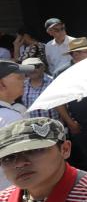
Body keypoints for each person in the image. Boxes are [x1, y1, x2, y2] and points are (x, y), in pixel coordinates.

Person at [0, 117, 87, 201]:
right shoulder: (4, 197)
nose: (20, 163)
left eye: (33, 150)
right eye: (8, 157)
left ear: (65, 149)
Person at [54, 43, 87, 178]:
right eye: (86, 52)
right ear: (75, 54)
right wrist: (70, 123)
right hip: (79, 122)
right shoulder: (62, 72)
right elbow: (58, 101)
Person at [0, 60, 33, 189]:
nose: (24, 81)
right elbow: (25, 162)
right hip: (9, 190)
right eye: (19, 77)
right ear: (2, 84)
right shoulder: (11, 118)